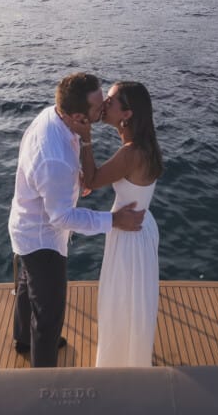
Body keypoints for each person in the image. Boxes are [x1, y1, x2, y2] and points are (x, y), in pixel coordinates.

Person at [8, 72, 145, 367]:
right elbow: (60, 217)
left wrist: (76, 175)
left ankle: (23, 338)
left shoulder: (52, 115)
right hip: (41, 239)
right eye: (98, 107)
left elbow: (58, 178)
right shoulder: (54, 157)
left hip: (25, 222)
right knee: (49, 312)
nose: (104, 108)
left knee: (25, 284)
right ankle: (42, 378)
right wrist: (113, 220)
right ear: (77, 116)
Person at [83, 81, 164, 367]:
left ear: (127, 114)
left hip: (128, 233)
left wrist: (84, 136)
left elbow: (92, 179)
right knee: (134, 304)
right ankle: (133, 359)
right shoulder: (145, 146)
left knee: (119, 304)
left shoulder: (131, 153)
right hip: (142, 227)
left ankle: (118, 365)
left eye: (112, 99)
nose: (105, 102)